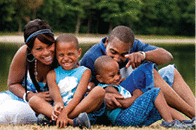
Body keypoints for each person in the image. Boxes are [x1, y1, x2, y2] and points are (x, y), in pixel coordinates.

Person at [79, 25, 195, 120]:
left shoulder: (134, 46)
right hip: (117, 101)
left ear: (130, 47)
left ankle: (194, 112)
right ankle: (191, 113)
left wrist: (144, 55)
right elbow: (80, 87)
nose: (117, 58)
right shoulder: (92, 56)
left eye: (123, 54)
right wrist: (103, 95)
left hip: (133, 92)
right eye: (113, 52)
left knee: (171, 72)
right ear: (107, 42)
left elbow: (168, 56)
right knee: (150, 73)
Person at [94, 55, 193, 129]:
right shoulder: (108, 89)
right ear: (100, 78)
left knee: (160, 103)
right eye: (112, 76)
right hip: (124, 118)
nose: (117, 77)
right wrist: (136, 95)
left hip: (127, 117)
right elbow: (123, 104)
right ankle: (169, 122)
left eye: (118, 73)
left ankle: (186, 122)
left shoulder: (113, 86)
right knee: (155, 92)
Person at [29, 34, 105, 128]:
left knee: (99, 91)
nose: (66, 58)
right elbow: (57, 99)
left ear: (79, 52)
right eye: (61, 55)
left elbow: (78, 97)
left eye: (70, 54)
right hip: (58, 110)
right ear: (56, 55)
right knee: (33, 100)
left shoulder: (85, 72)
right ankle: (72, 122)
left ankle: (56, 120)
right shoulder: (52, 74)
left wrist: (64, 113)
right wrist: (59, 106)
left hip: (77, 109)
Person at [0, 19, 57, 124]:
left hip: (43, 109)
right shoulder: (24, 53)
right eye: (39, 49)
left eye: (49, 45)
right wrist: (30, 96)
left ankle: (43, 120)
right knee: (2, 99)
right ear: (30, 49)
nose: (47, 53)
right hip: (24, 98)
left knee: (8, 110)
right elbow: (13, 84)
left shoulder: (63, 54)